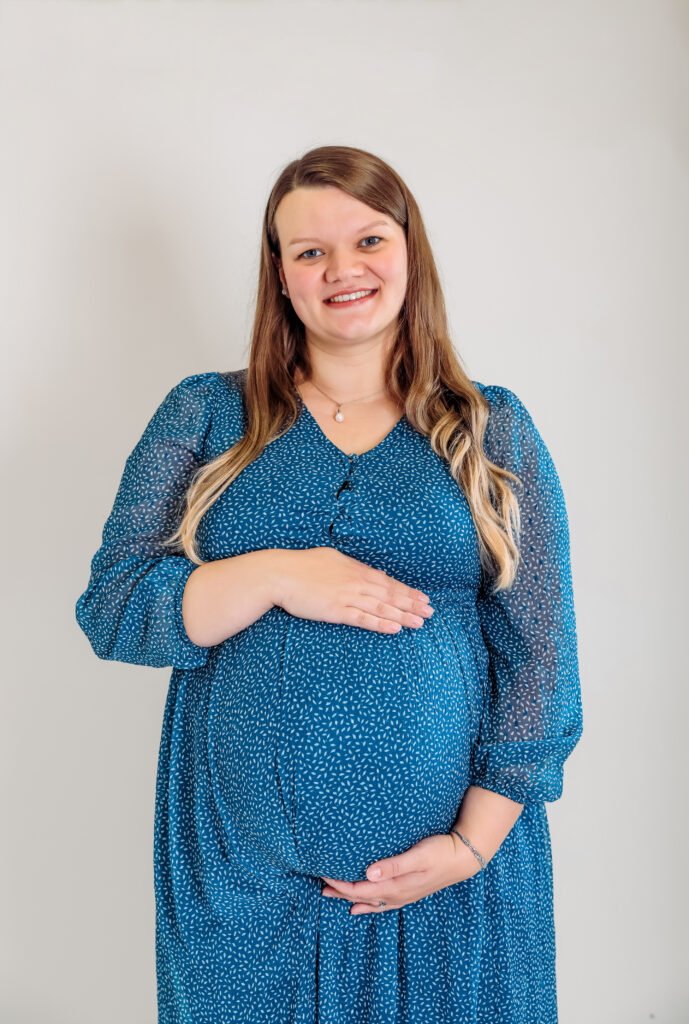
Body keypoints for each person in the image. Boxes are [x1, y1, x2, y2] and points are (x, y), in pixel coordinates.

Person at [75, 144, 583, 1024]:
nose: (342, 269)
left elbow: (542, 656)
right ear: (279, 274)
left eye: (368, 240)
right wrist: (273, 573)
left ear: (410, 252)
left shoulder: (489, 428)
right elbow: (113, 607)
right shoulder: (205, 413)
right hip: (241, 888)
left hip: (452, 886)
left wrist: (470, 846)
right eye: (310, 251)